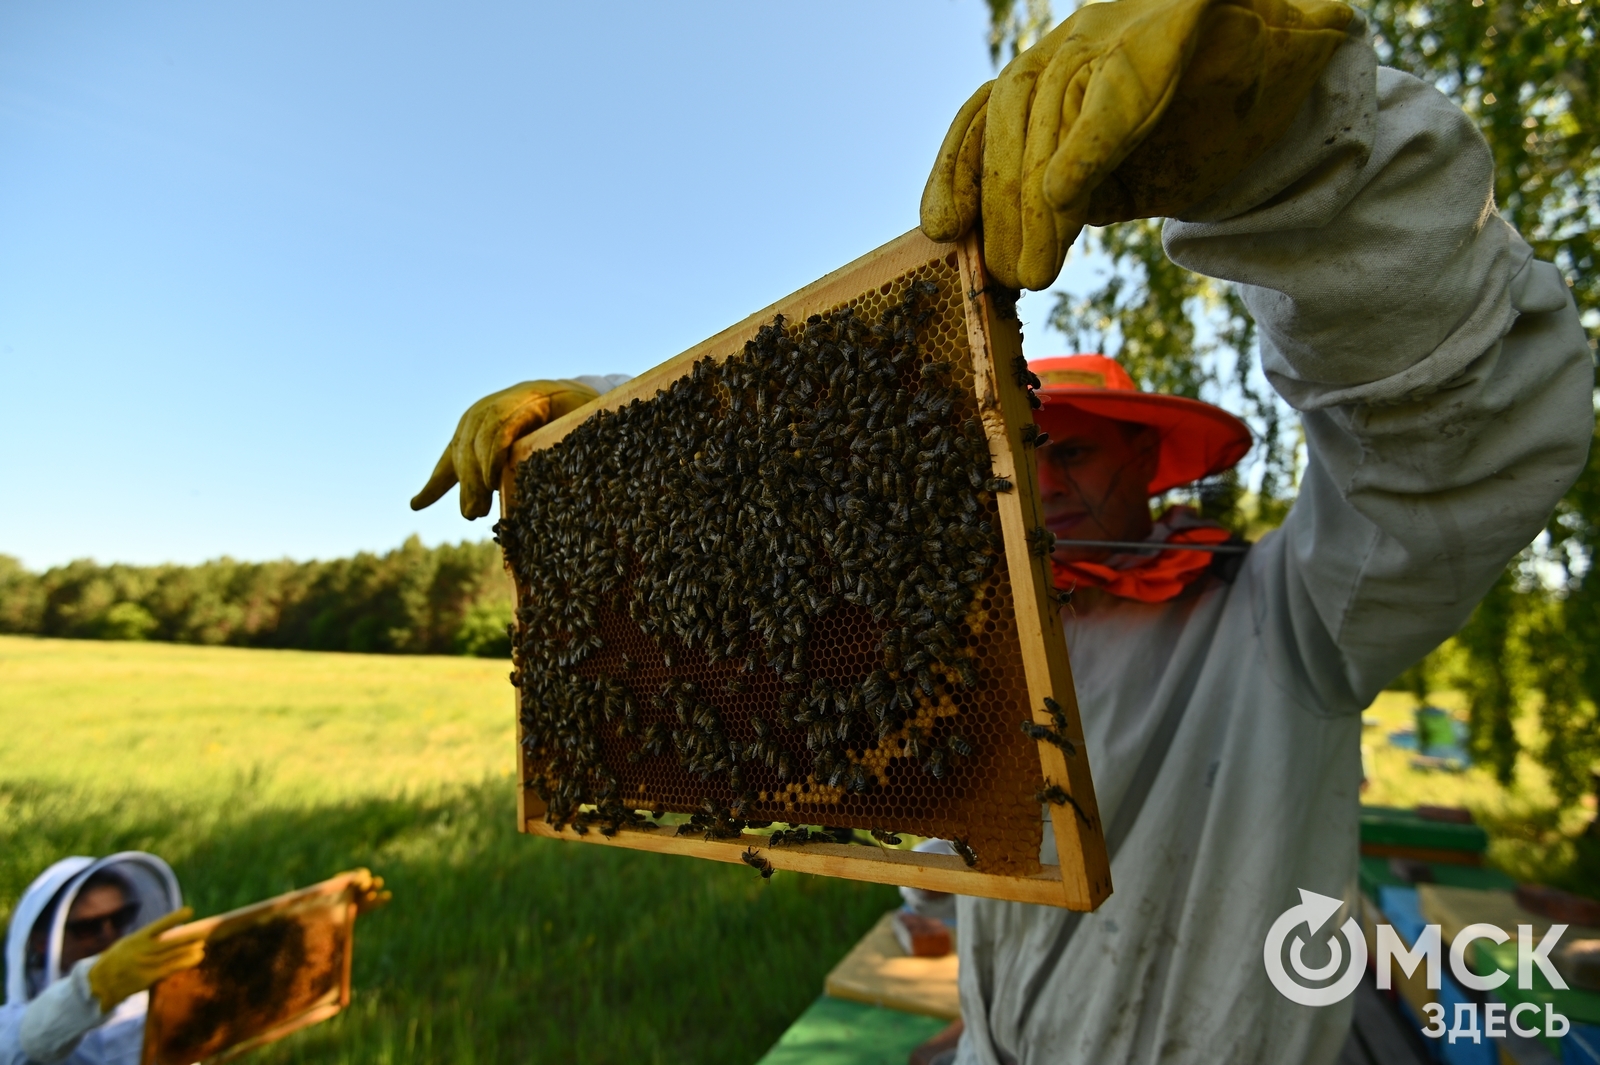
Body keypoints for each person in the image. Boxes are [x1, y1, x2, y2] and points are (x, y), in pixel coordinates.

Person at [411, 0, 1594, 1059]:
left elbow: (1460, 434)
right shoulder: (958, 644)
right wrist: (621, 449)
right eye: (1019, 455)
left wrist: (1307, 160)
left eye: (1072, 448)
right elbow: (775, 523)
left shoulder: (1293, 618)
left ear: (1148, 458)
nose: (1040, 482)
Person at [2, 855, 389, 1065]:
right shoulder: (10, 1026)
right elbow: (34, 1040)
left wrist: (323, 923)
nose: (108, 935)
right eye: (87, 927)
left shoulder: (148, 1009)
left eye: (120, 919)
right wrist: (95, 986)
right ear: (39, 940)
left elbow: (250, 993)